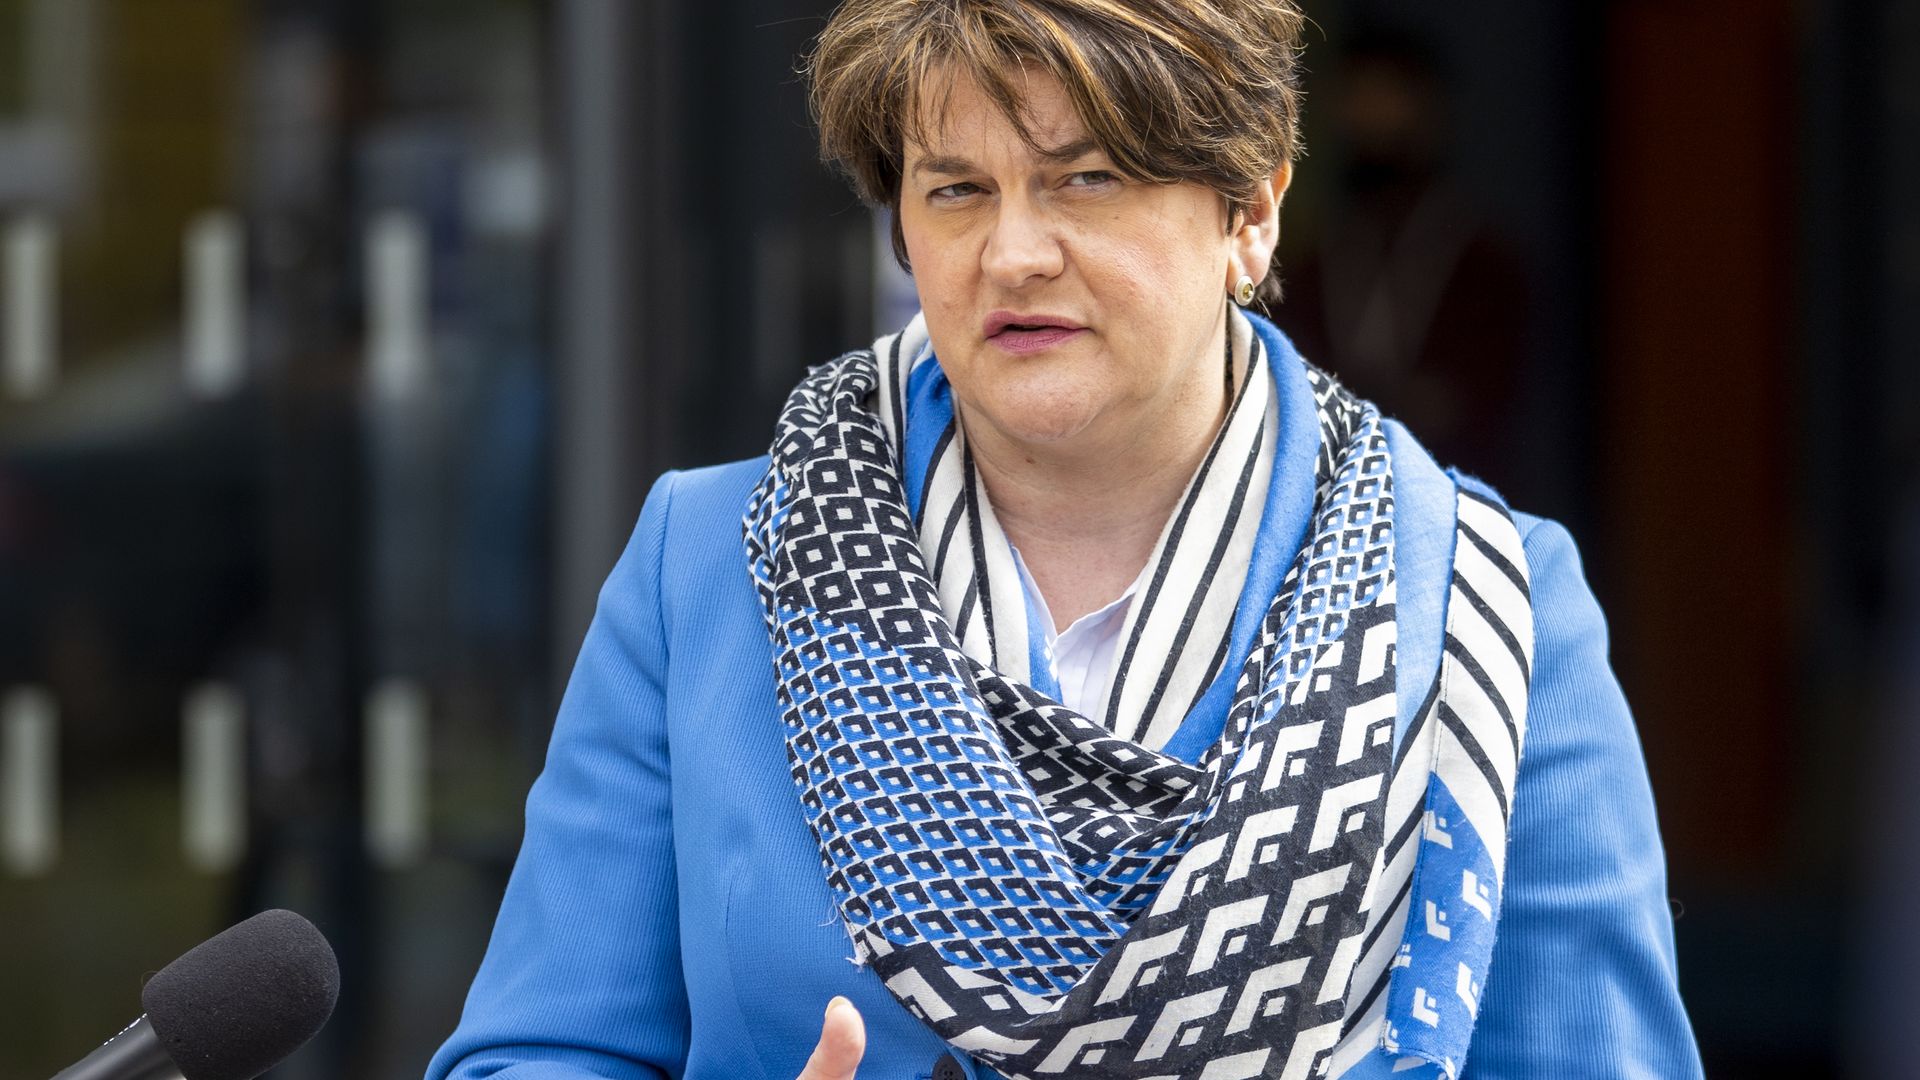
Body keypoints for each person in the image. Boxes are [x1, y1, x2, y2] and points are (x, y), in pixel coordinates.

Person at [425, 1, 1705, 1077]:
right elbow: (536, 1047)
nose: (1012, 252)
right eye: (957, 190)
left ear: (1250, 211)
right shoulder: (708, 565)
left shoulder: (1486, 610)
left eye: (1085, 178)